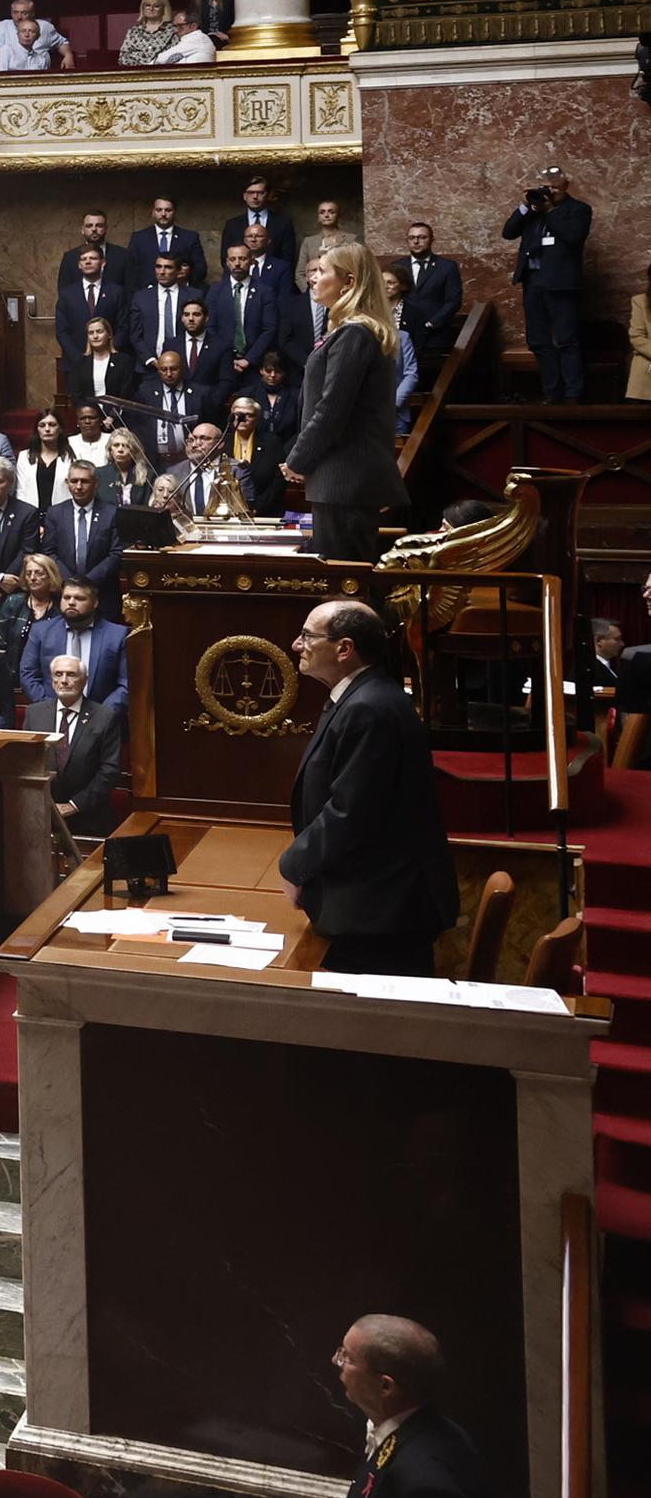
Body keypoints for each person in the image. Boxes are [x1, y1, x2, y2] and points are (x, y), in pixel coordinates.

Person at [278, 598, 457, 975]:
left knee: (376, 1028)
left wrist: (293, 866)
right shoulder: (362, 698)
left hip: (382, 912)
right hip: (374, 900)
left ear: (344, 649)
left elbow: (350, 812)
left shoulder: (368, 708)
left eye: (308, 636)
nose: (297, 645)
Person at [281, 238, 410, 560]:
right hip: (339, 479)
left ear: (348, 283)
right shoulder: (352, 332)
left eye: (322, 271)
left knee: (347, 586)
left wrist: (298, 459)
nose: (312, 277)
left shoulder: (355, 334)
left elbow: (331, 409)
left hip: (346, 479)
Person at [329, 1314, 499, 1498]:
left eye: (348, 1357)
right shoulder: (419, 1430)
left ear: (385, 1386)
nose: (336, 1361)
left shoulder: (425, 1484)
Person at [506, 168, 593, 404]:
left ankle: (573, 393)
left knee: (566, 338)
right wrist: (525, 205)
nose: (550, 192)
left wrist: (550, 211)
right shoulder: (533, 211)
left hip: (561, 284)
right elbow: (508, 232)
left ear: (567, 185)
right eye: (546, 187)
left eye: (555, 187)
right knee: (538, 340)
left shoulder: (578, 210)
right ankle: (552, 392)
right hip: (533, 282)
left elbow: (573, 237)